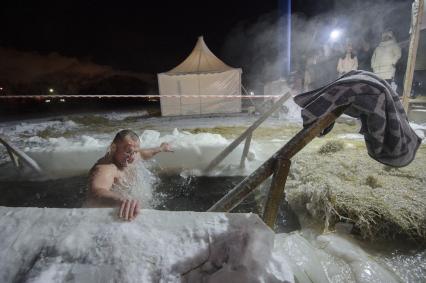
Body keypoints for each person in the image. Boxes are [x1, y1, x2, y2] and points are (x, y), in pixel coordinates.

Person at [85, 129, 173, 221]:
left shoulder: (131, 156)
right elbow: (95, 194)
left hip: (131, 205)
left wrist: (161, 148)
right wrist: (121, 200)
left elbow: (144, 154)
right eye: (128, 151)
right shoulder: (106, 168)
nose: (132, 157)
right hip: (107, 215)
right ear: (114, 148)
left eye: (135, 152)